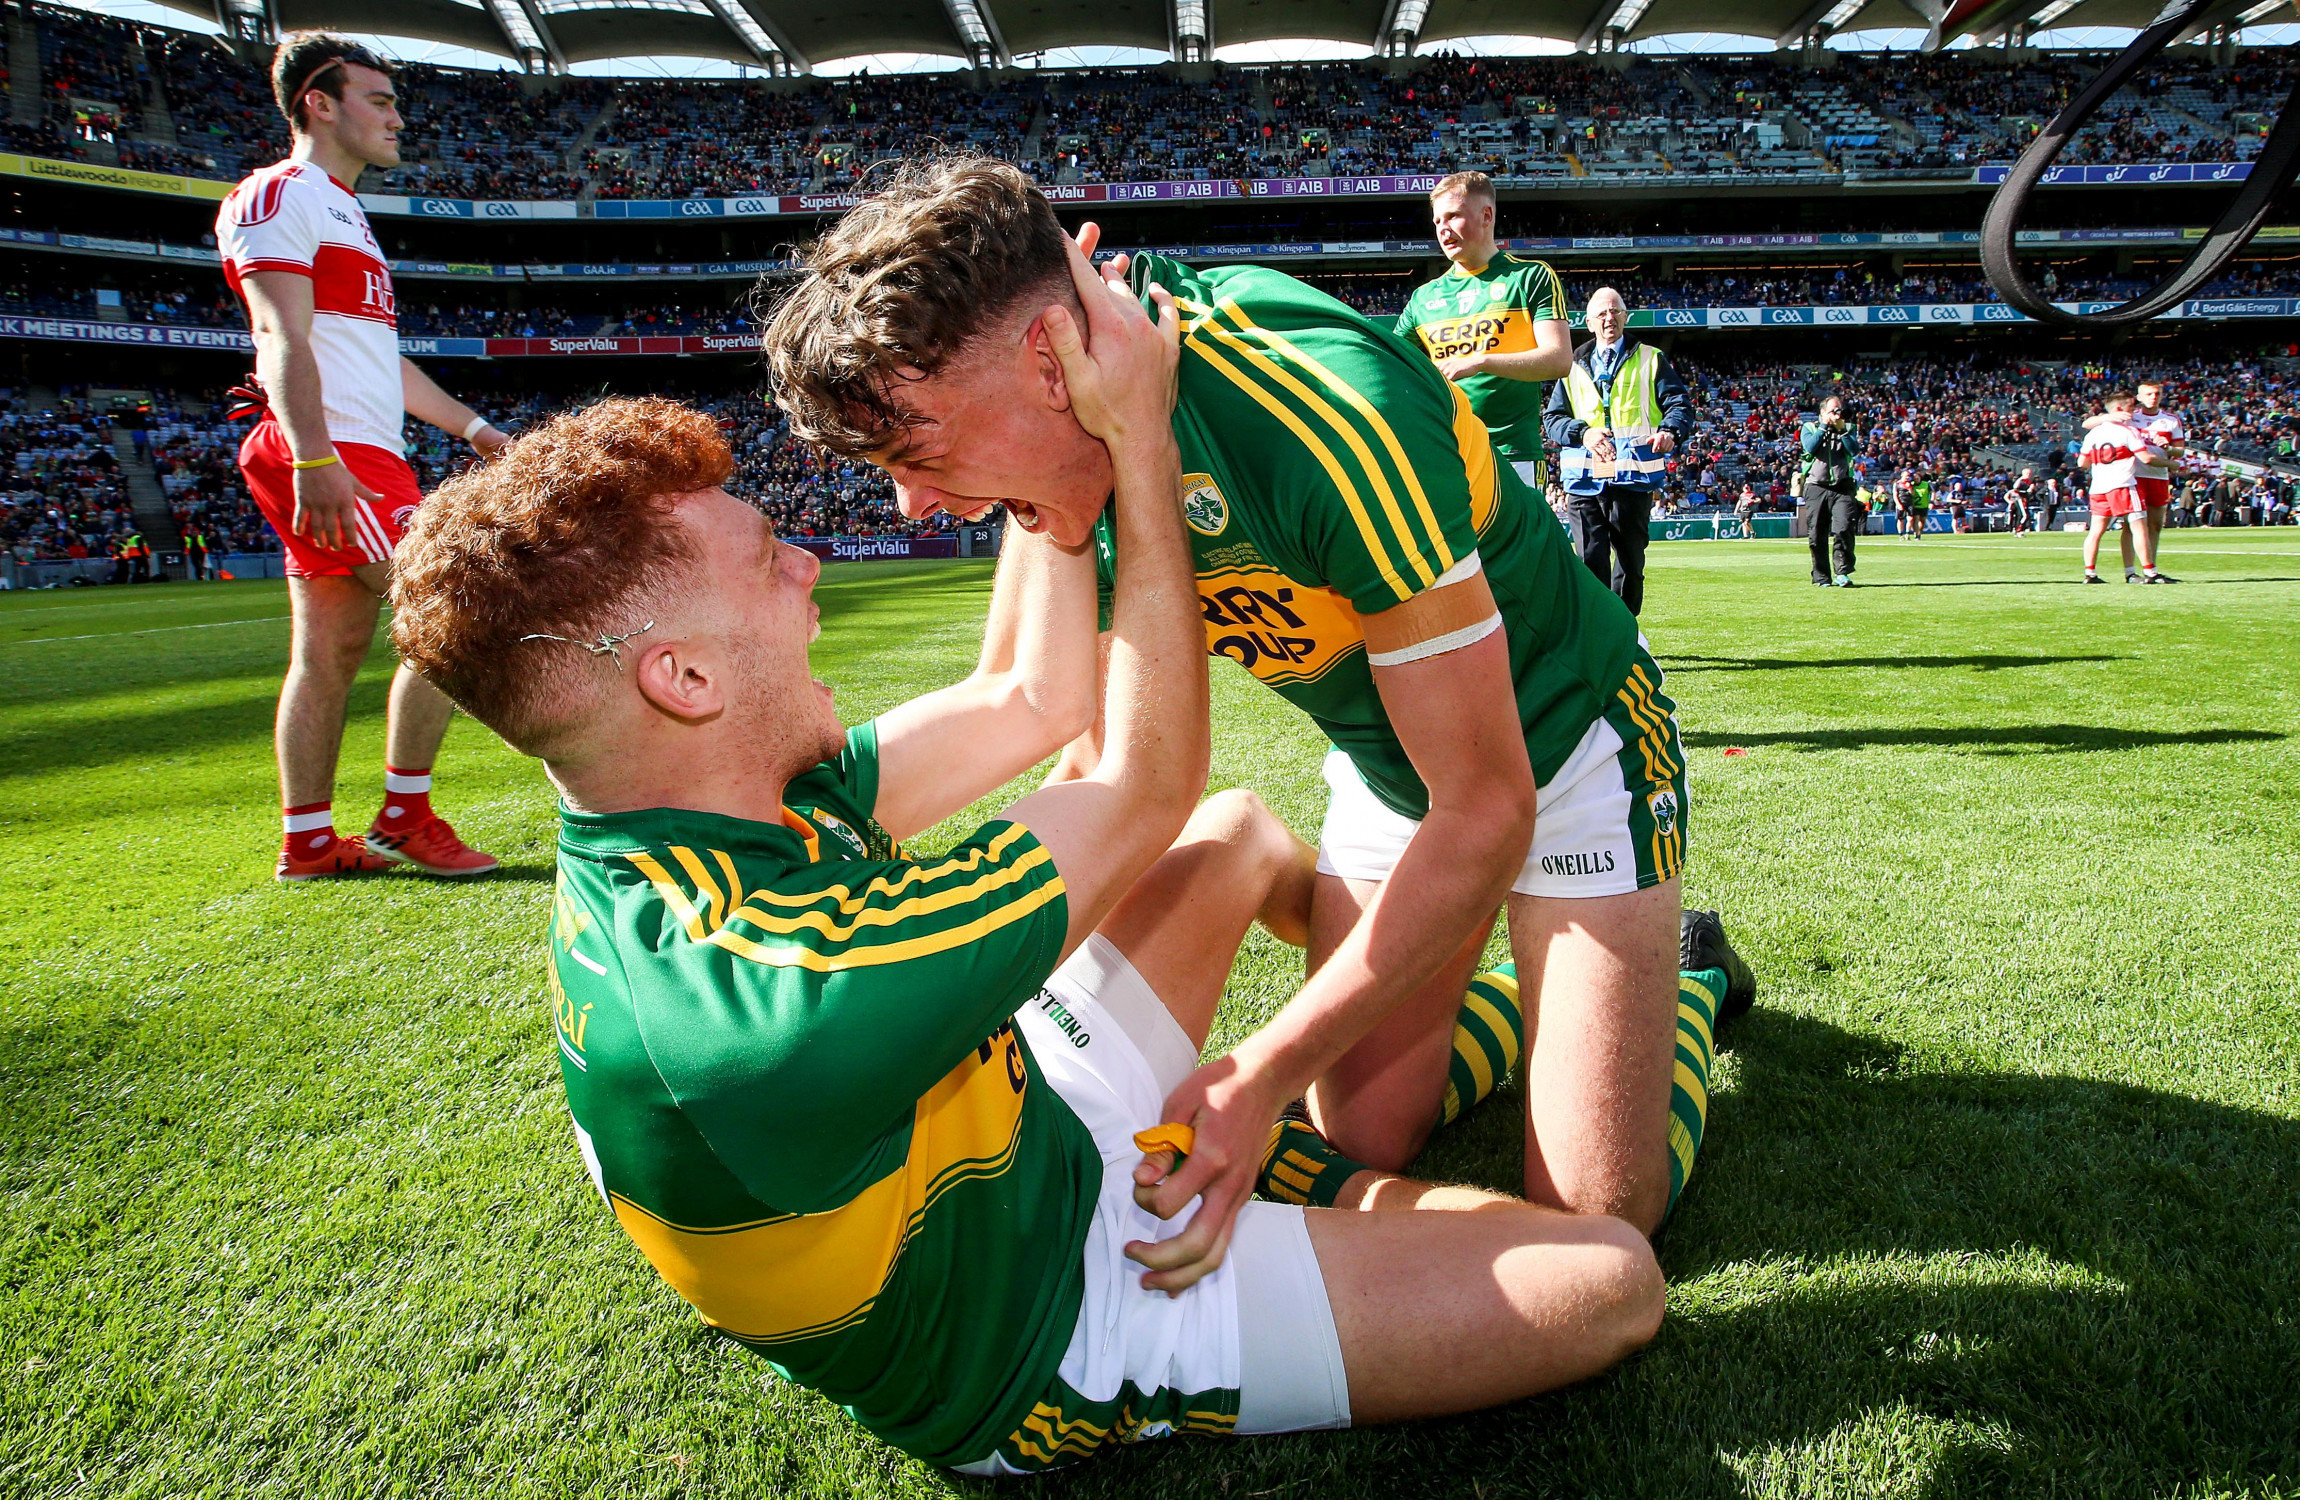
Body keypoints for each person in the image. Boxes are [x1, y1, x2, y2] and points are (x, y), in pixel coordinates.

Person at [385, 377, 1666, 1473]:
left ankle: (1314, 1100)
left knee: (1237, 838)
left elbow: (1033, 695)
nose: (809, 562)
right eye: (765, 555)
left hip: (1020, 1115)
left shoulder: (702, 800)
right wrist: (1137, 449)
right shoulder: (772, 1003)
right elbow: (1131, 782)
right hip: (1058, 1315)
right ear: (684, 677)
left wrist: (1043, 466)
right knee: (1607, 1279)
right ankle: (1675, 1004)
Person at [762, 157, 1757, 1292]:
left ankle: (1682, 979)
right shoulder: (1080, 436)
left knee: (1593, 1210)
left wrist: (1255, 1073)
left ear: (1048, 359)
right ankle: (1531, 997)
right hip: (1396, 771)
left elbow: (1487, 810)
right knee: (1363, 1137)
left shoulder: (1319, 406)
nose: (911, 505)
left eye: (916, 449)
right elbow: (1053, 719)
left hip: (1565, 743)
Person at [218, 33, 506, 880]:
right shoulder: (278, 196)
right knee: (464, 615)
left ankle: (307, 841)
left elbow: (380, 359)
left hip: (359, 450)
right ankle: (404, 816)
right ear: (320, 102)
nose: (396, 117)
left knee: (330, 654)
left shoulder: (344, 211)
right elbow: (278, 333)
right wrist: (314, 459)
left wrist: (477, 431)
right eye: (378, 100)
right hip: (329, 451)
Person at [1393, 170, 1572, 491]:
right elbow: (1390, 367)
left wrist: (1481, 360)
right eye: (1437, 221)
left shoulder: (1531, 277)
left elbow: (1559, 360)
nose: (1443, 229)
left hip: (1512, 455)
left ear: (1486, 215)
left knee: (1517, 544)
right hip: (1446, 454)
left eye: (1453, 216)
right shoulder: (1424, 297)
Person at [1539, 286, 1693, 615]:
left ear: (1626, 316)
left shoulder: (1651, 359)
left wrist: (1669, 431)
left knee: (1630, 563)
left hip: (1632, 478)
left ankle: (1626, 633)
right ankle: (1597, 634)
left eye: (1616, 311)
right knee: (1589, 560)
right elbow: (1552, 419)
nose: (1610, 318)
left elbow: (1679, 404)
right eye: (1602, 313)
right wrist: (1584, 433)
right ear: (1589, 322)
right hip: (1583, 479)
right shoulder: (1571, 365)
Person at [2082, 377, 2183, 580]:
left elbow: (2179, 451)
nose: (2153, 398)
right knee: (2132, 525)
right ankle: (2134, 571)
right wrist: (2105, 418)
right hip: (2134, 475)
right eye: (2148, 394)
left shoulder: (2170, 420)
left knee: (2154, 525)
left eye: (2157, 394)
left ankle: (2150, 567)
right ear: (2139, 397)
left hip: (2157, 476)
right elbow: (2087, 423)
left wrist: (2168, 447)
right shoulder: (2128, 415)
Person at [1799, 394, 1862, 588]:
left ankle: (1842, 572)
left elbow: (1854, 450)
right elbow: (1810, 448)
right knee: (1817, 533)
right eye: (1833, 410)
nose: (1837, 413)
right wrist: (1824, 427)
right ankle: (1821, 575)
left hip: (1842, 486)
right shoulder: (1809, 428)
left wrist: (1841, 430)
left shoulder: (1848, 428)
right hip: (1816, 486)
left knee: (1844, 528)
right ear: (1823, 412)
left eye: (1839, 410)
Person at [2007, 468, 2036, 535]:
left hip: (2025, 499)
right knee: (2024, 515)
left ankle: (2020, 529)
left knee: (2024, 515)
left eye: (2029, 473)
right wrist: (2027, 490)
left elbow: (2031, 491)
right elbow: (2015, 488)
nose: (2029, 475)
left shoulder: (2029, 481)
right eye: (2027, 473)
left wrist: (2031, 490)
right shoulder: (2020, 480)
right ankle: (2018, 530)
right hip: (2020, 499)